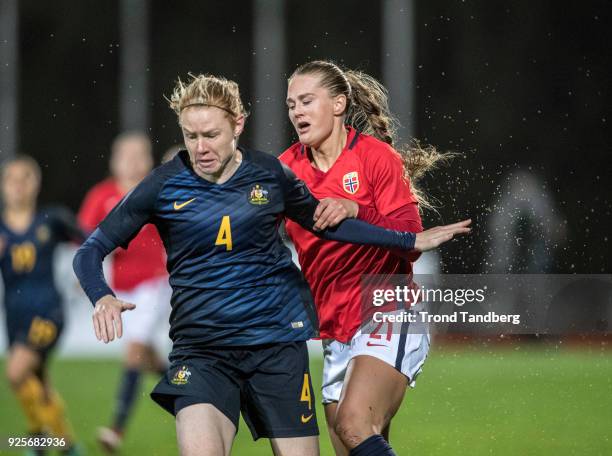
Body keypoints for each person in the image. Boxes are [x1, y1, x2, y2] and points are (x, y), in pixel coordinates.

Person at [72, 73, 470, 456]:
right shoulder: (163, 184)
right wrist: (101, 295)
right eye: (190, 136)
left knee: (351, 430)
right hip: (203, 350)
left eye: (211, 134)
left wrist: (409, 239)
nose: (200, 147)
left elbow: (328, 225)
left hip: (276, 346)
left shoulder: (270, 174)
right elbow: (89, 250)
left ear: (238, 125)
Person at [281, 60, 453, 456]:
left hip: (386, 309)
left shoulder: (376, 158)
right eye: (291, 105)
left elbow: (410, 239)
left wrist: (357, 210)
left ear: (339, 104)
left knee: (353, 422)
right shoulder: (286, 170)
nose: (297, 112)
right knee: (353, 440)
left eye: (307, 101)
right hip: (334, 328)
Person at [77, 131, 171, 453]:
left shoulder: (157, 191)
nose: (132, 161)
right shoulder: (101, 196)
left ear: (148, 160)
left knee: (133, 352)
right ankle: (191, 388)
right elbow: (85, 242)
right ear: (113, 160)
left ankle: (116, 429)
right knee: (146, 357)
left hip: (155, 284)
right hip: (119, 289)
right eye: (126, 155)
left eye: (138, 154)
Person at [0, 155, 84, 455]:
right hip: (14, 318)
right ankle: (65, 445)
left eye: (26, 178)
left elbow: (91, 242)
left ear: (36, 184)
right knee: (37, 382)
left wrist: (87, 275)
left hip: (49, 311)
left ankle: (40, 439)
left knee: (15, 372)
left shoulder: (53, 218)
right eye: (11, 178)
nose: (18, 185)